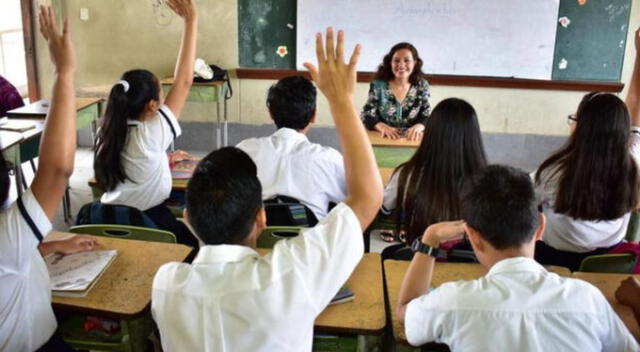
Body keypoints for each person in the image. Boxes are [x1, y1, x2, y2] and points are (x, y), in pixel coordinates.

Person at [151, 28, 383, 351]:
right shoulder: (291, 276)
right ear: (260, 219)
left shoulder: (165, 285)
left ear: (187, 217)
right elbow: (367, 199)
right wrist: (341, 100)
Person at [397, 165, 638, 351]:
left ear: (472, 236)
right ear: (540, 228)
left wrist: (430, 238)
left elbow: (406, 312)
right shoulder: (588, 299)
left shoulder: (453, 301)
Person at [0, 6, 98, 351]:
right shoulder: (4, 239)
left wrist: (50, 247)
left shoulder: (11, 245)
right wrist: (64, 72)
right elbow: (56, 171)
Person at [533, 28, 640, 271]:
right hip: (610, 265)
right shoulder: (631, 161)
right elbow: (635, 110)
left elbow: (524, 202)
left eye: (574, 118)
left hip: (552, 264)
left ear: (583, 127)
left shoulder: (553, 172)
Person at [93, 0, 198, 247]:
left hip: (108, 216)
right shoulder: (153, 131)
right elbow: (183, 81)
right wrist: (191, 21)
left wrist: (163, 159)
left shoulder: (107, 131)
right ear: (152, 105)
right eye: (162, 93)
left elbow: (130, 163)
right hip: (146, 218)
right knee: (193, 247)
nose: (165, 98)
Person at [381, 98, 486, 249]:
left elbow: (385, 207)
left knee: (389, 253)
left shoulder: (408, 174)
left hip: (420, 256)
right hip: (471, 260)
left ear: (430, 133)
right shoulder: (488, 183)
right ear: (474, 137)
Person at [236, 76, 346, 220]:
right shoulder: (330, 159)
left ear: (271, 114)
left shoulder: (244, 151)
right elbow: (352, 201)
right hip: (311, 240)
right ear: (313, 115)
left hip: (257, 239)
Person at [361, 42, 430, 141]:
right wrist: (380, 126)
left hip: (411, 140)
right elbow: (366, 114)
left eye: (407, 60)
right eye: (396, 60)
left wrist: (420, 126)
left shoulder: (422, 85)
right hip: (383, 139)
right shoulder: (378, 85)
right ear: (390, 63)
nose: (401, 65)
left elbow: (426, 115)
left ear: (415, 63)